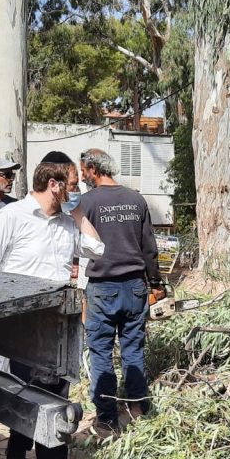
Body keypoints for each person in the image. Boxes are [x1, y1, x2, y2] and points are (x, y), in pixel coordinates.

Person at [0, 160, 103, 459]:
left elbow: (97, 249)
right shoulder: (11, 218)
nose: (78, 191)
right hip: (19, 331)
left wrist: (76, 213)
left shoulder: (67, 224)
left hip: (57, 331)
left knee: (57, 404)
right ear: (55, 184)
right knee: (22, 398)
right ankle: (16, 452)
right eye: (73, 185)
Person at [77, 148, 164, 433]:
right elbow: (149, 247)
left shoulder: (85, 203)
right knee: (133, 349)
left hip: (102, 288)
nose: (81, 177)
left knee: (101, 352)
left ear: (93, 169)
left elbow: (76, 249)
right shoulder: (135, 199)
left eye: (83, 171)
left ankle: (106, 418)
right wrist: (156, 284)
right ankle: (138, 406)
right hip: (135, 287)